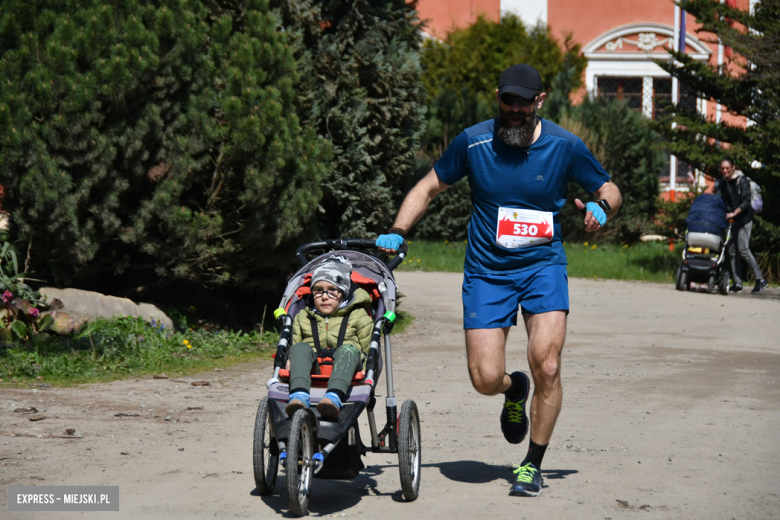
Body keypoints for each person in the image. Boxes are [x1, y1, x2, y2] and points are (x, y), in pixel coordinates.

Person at [376, 64, 622, 497]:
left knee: (547, 363)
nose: (513, 110)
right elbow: (428, 188)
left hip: (543, 267)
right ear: (498, 97)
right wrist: (398, 229)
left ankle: (532, 464)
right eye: (506, 100)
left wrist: (602, 206)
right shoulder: (474, 141)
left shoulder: (565, 146)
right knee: (484, 378)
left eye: (522, 102)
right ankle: (514, 390)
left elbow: (610, 187)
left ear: (539, 101)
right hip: (488, 272)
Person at [285, 256, 374, 419]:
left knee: (349, 349)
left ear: (344, 292)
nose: (324, 296)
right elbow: (294, 344)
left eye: (332, 290)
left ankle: (333, 397)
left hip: (348, 369)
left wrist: (368, 368)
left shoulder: (359, 316)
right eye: (318, 290)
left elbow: (368, 348)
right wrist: (289, 360)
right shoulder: (302, 317)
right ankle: (298, 396)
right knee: (299, 348)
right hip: (311, 371)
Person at [718, 158, 768, 293]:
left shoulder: (742, 180)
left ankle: (760, 280)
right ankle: (737, 282)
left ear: (733, 167)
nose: (725, 171)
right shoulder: (723, 182)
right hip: (731, 219)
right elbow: (722, 199)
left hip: (744, 218)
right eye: (723, 168)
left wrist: (734, 213)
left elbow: (746, 202)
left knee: (743, 249)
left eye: (727, 168)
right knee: (732, 251)